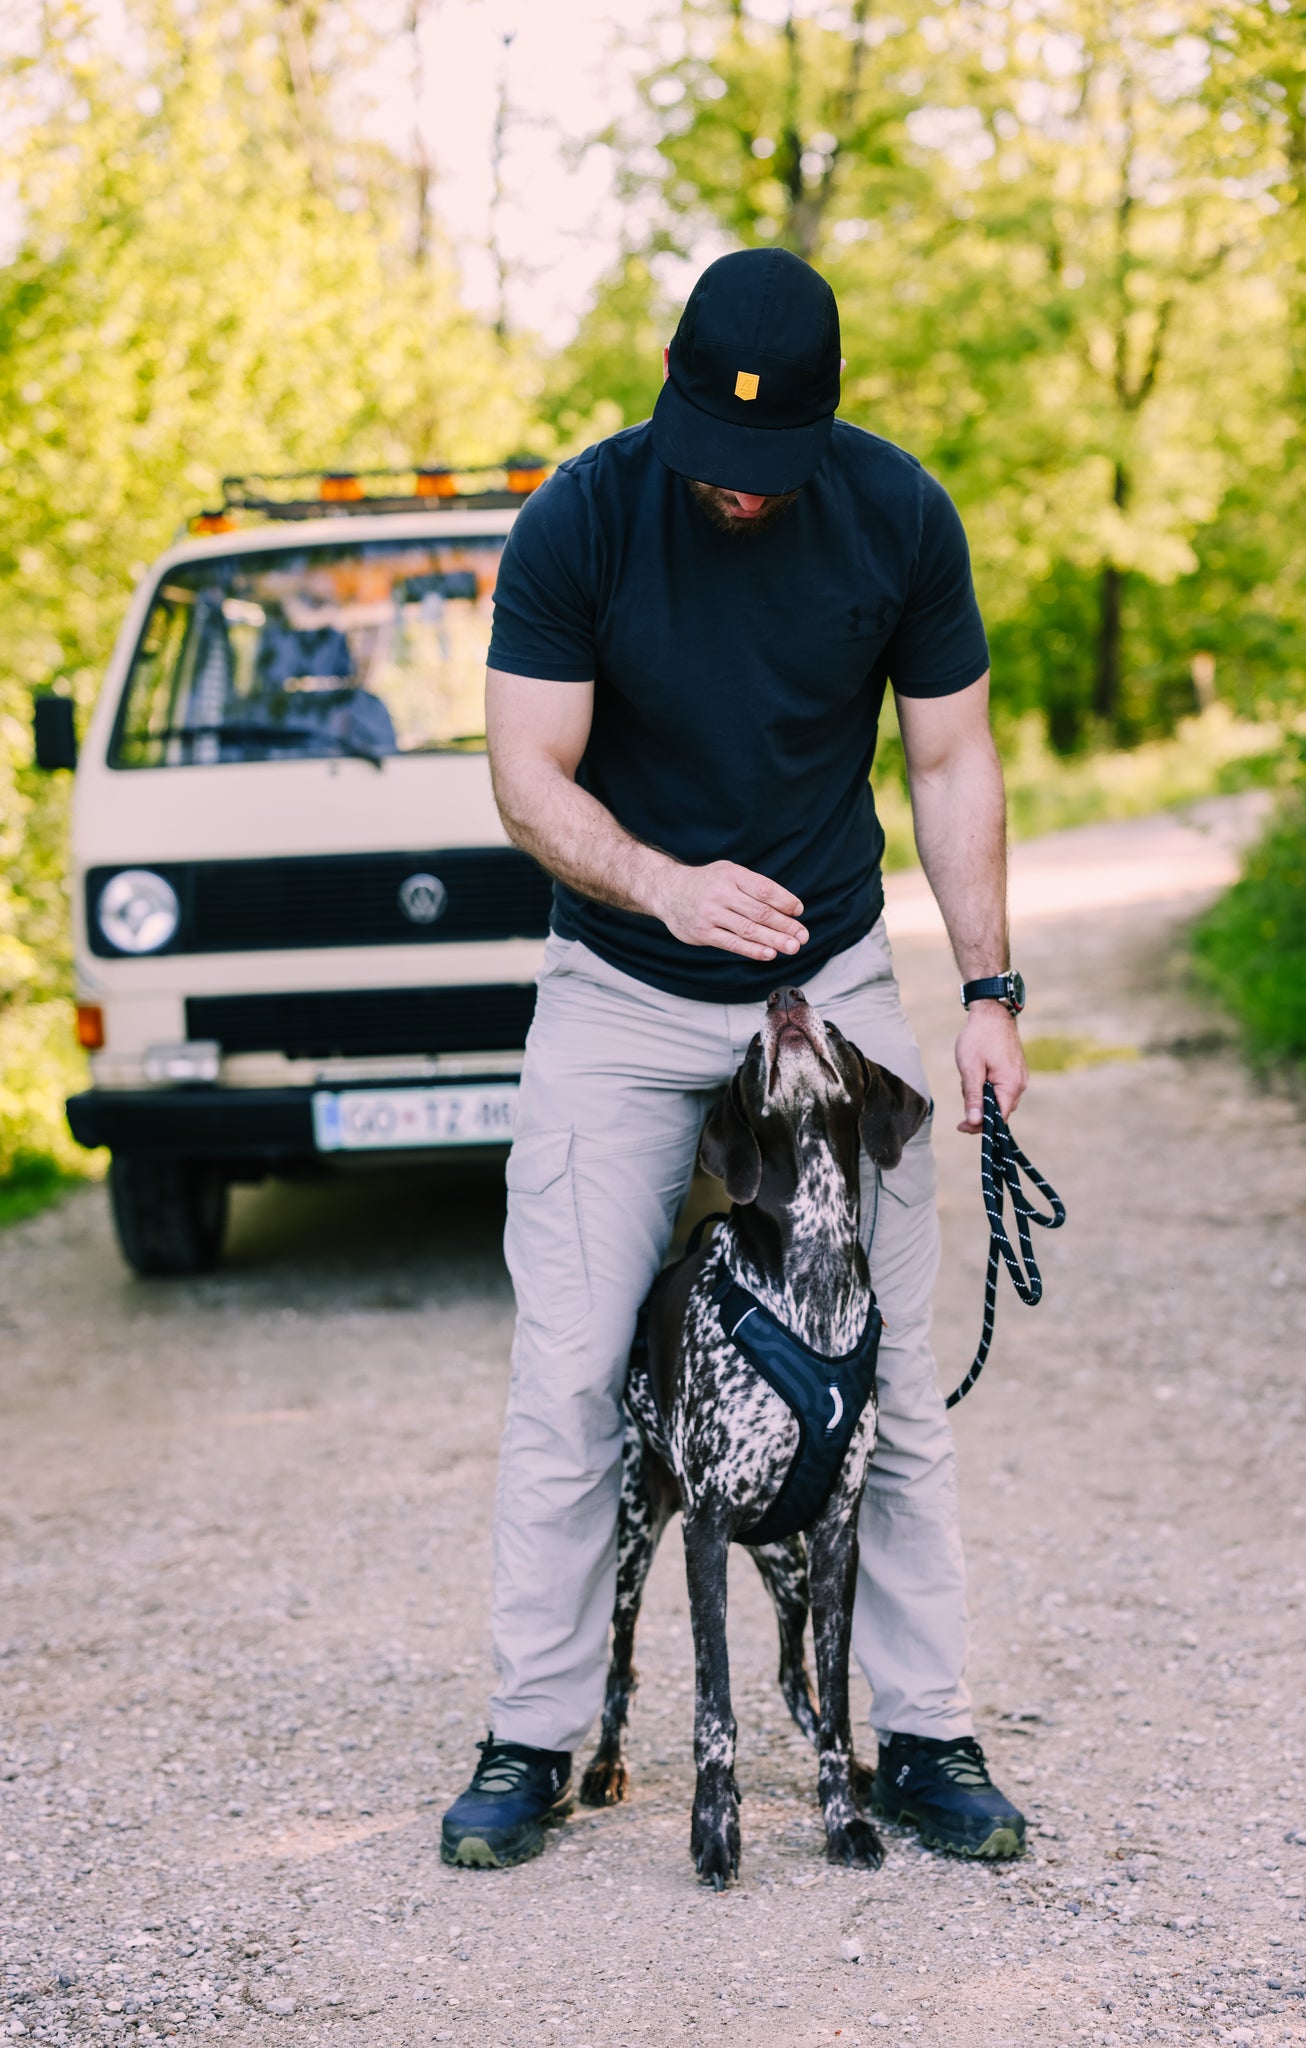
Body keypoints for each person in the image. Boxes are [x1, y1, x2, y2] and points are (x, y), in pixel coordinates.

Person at [441, 248, 1030, 1872]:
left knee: (889, 1379)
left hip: (825, 979)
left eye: (773, 470)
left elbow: (949, 749)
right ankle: (535, 1736)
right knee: (568, 1377)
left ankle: (922, 1733)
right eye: (717, 459)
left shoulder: (898, 514)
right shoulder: (583, 517)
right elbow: (523, 774)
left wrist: (985, 987)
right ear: (672, 399)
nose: (741, 494)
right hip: (623, 988)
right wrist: (662, 880)